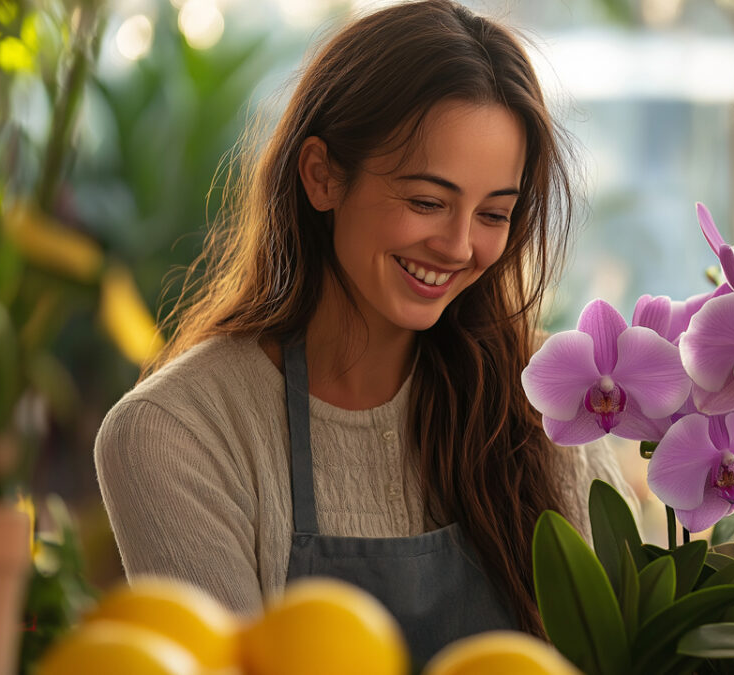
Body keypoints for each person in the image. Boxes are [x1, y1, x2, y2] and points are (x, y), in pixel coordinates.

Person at [93, 0, 639, 664]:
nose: (460, 246)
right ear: (322, 175)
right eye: (426, 202)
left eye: (494, 213)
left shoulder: (545, 417)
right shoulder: (176, 434)